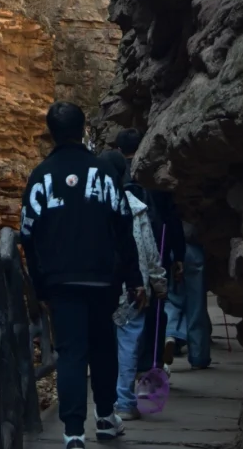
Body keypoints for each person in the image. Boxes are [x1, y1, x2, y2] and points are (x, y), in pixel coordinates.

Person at [21, 103, 143, 446]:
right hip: (103, 277)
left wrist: (38, 282)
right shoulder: (104, 173)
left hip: (60, 280)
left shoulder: (40, 176)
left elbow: (28, 234)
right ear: (82, 129)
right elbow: (124, 228)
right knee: (103, 346)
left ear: (51, 132)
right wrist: (133, 277)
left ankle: (73, 432)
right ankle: (105, 417)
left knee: (71, 352)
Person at [100, 151, 167, 420]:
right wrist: (159, 282)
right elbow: (149, 250)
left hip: (101, 287)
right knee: (128, 346)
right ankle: (125, 402)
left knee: (104, 347)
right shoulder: (135, 207)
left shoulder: (92, 204)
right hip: (133, 288)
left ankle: (105, 403)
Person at [113, 130, 186, 375]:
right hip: (157, 245)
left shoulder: (114, 175)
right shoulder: (152, 175)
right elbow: (172, 217)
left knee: (122, 310)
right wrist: (179, 254)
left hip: (121, 253)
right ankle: (151, 361)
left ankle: (124, 365)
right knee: (156, 306)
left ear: (119, 149)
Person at [164, 223, 212, 369]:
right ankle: (199, 356)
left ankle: (169, 334)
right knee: (197, 306)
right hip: (195, 249)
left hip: (170, 249)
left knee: (172, 299)